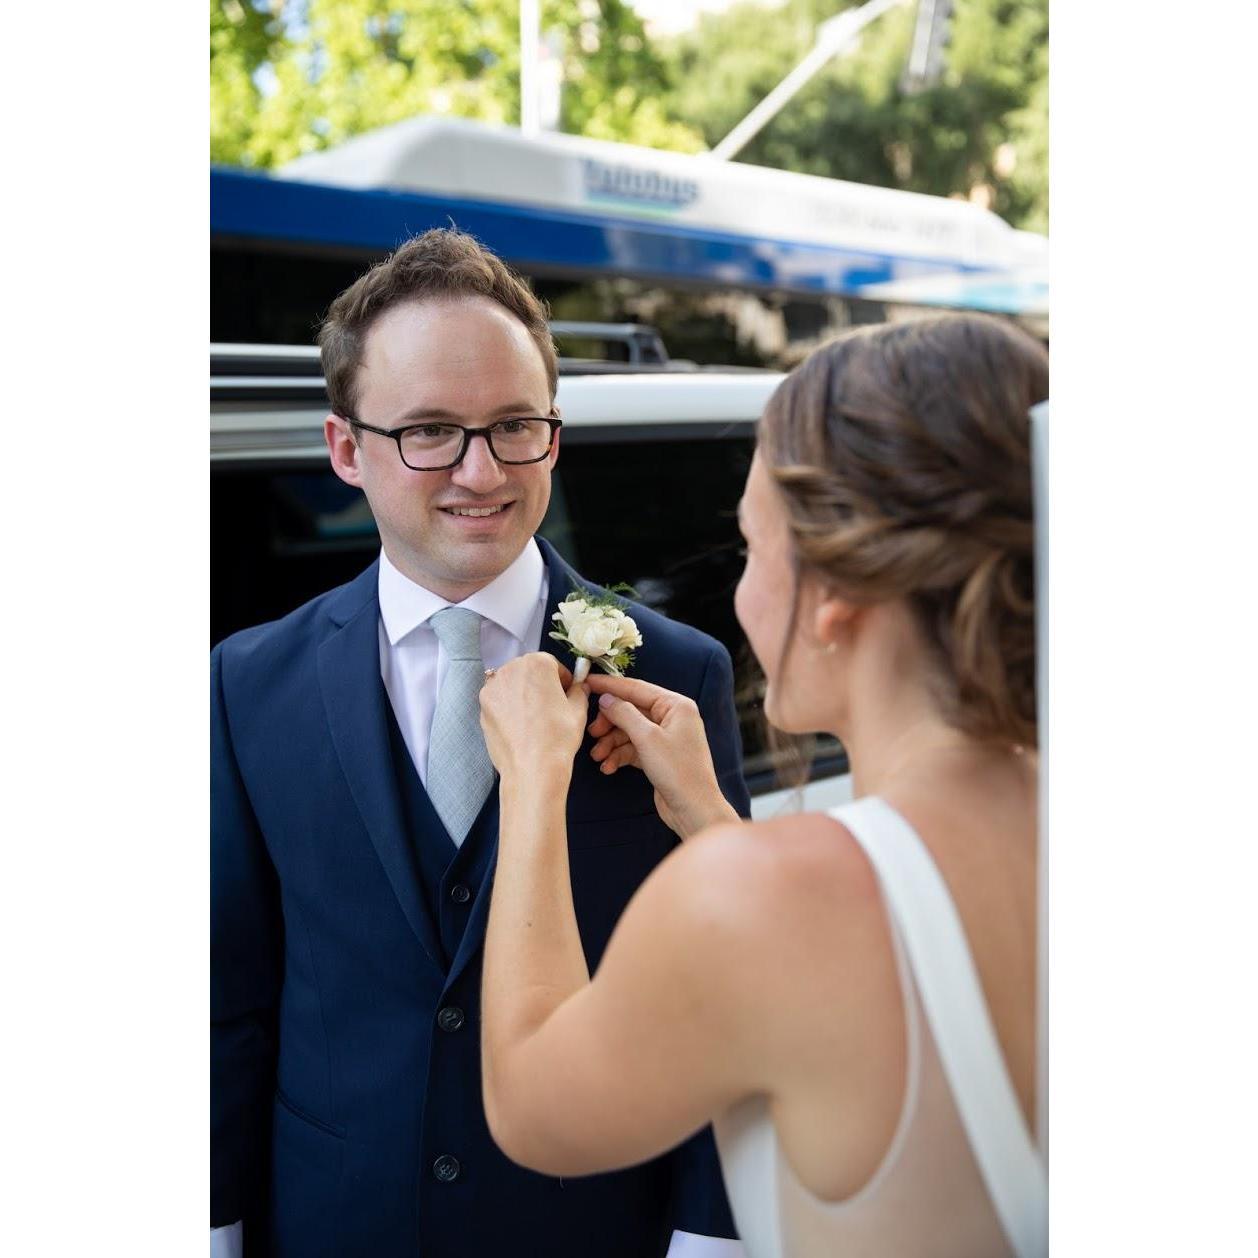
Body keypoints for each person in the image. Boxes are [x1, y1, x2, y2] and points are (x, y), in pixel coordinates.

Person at [211, 228, 750, 1257]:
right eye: (428, 432)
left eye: (514, 426)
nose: (480, 470)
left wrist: (707, 1240)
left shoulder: (679, 673)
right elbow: (223, 1003)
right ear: (343, 449)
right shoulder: (247, 685)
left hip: (593, 1224)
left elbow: (715, 993)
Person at [478, 314, 1050, 1258]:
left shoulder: (757, 900)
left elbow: (531, 1102)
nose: (741, 595)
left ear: (831, 593)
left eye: (751, 549)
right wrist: (707, 815)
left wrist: (534, 780)